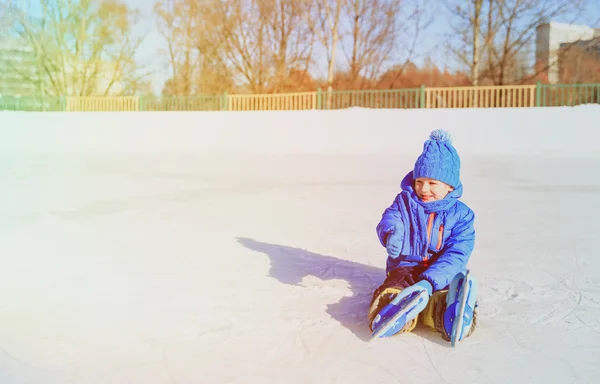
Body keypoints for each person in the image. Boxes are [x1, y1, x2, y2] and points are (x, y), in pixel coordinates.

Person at [367, 129, 478, 342]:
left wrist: (430, 281)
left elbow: (457, 253)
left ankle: (448, 312)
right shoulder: (404, 201)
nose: (423, 189)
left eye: (432, 183)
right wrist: (392, 232)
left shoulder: (462, 215)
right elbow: (390, 218)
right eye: (419, 181)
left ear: (449, 186)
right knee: (397, 284)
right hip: (406, 266)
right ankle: (394, 307)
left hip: (442, 270)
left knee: (442, 291)